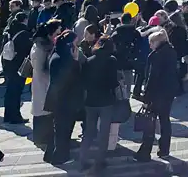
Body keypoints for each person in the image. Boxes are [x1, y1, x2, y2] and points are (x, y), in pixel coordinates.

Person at [135, 29, 179, 162]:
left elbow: (152, 77)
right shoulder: (172, 52)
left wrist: (146, 97)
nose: (150, 46)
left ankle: (145, 152)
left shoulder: (156, 55)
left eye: (151, 43)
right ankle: (164, 150)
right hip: (168, 92)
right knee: (165, 120)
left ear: (156, 42)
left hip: (156, 93)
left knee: (150, 122)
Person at [80, 36, 121, 175]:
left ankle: (82, 159)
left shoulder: (88, 60)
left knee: (89, 132)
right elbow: (113, 82)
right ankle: (100, 161)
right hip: (106, 101)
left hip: (90, 101)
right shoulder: (112, 61)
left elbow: (83, 81)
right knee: (104, 133)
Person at [43, 31, 84, 166]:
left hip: (58, 99)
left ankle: (51, 154)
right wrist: (76, 61)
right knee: (64, 130)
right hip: (66, 100)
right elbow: (74, 78)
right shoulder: (65, 59)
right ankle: (61, 157)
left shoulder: (56, 54)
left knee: (58, 129)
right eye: (75, 43)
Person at [29, 20, 61, 148]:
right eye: (57, 32)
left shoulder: (39, 45)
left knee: (42, 110)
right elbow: (41, 68)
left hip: (40, 83)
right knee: (43, 111)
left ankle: (42, 137)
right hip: (43, 83)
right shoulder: (42, 48)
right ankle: (42, 138)